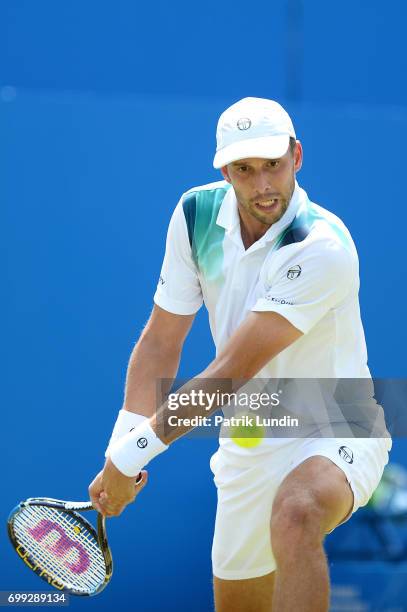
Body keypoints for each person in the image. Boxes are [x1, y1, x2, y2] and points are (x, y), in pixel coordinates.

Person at [89, 97, 392, 612]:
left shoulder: (321, 246)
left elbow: (228, 373)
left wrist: (129, 457)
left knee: (297, 512)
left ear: (297, 156)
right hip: (252, 428)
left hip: (339, 419)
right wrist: (123, 439)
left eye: (272, 165)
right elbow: (162, 339)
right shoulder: (195, 214)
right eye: (244, 170)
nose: (262, 184)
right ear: (226, 171)